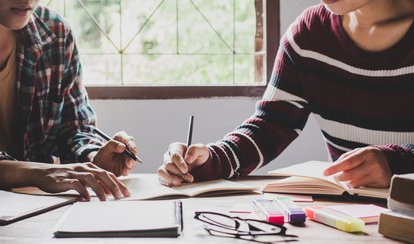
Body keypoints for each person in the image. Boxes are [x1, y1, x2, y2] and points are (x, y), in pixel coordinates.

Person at [158, 0, 414, 189]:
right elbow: (270, 126)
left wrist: (399, 163)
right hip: (348, 217)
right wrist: (211, 160)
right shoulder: (310, 35)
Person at [0, 0, 140, 201]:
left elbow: (74, 128)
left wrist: (93, 157)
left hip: (34, 210)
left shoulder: (54, 33)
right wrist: (29, 172)